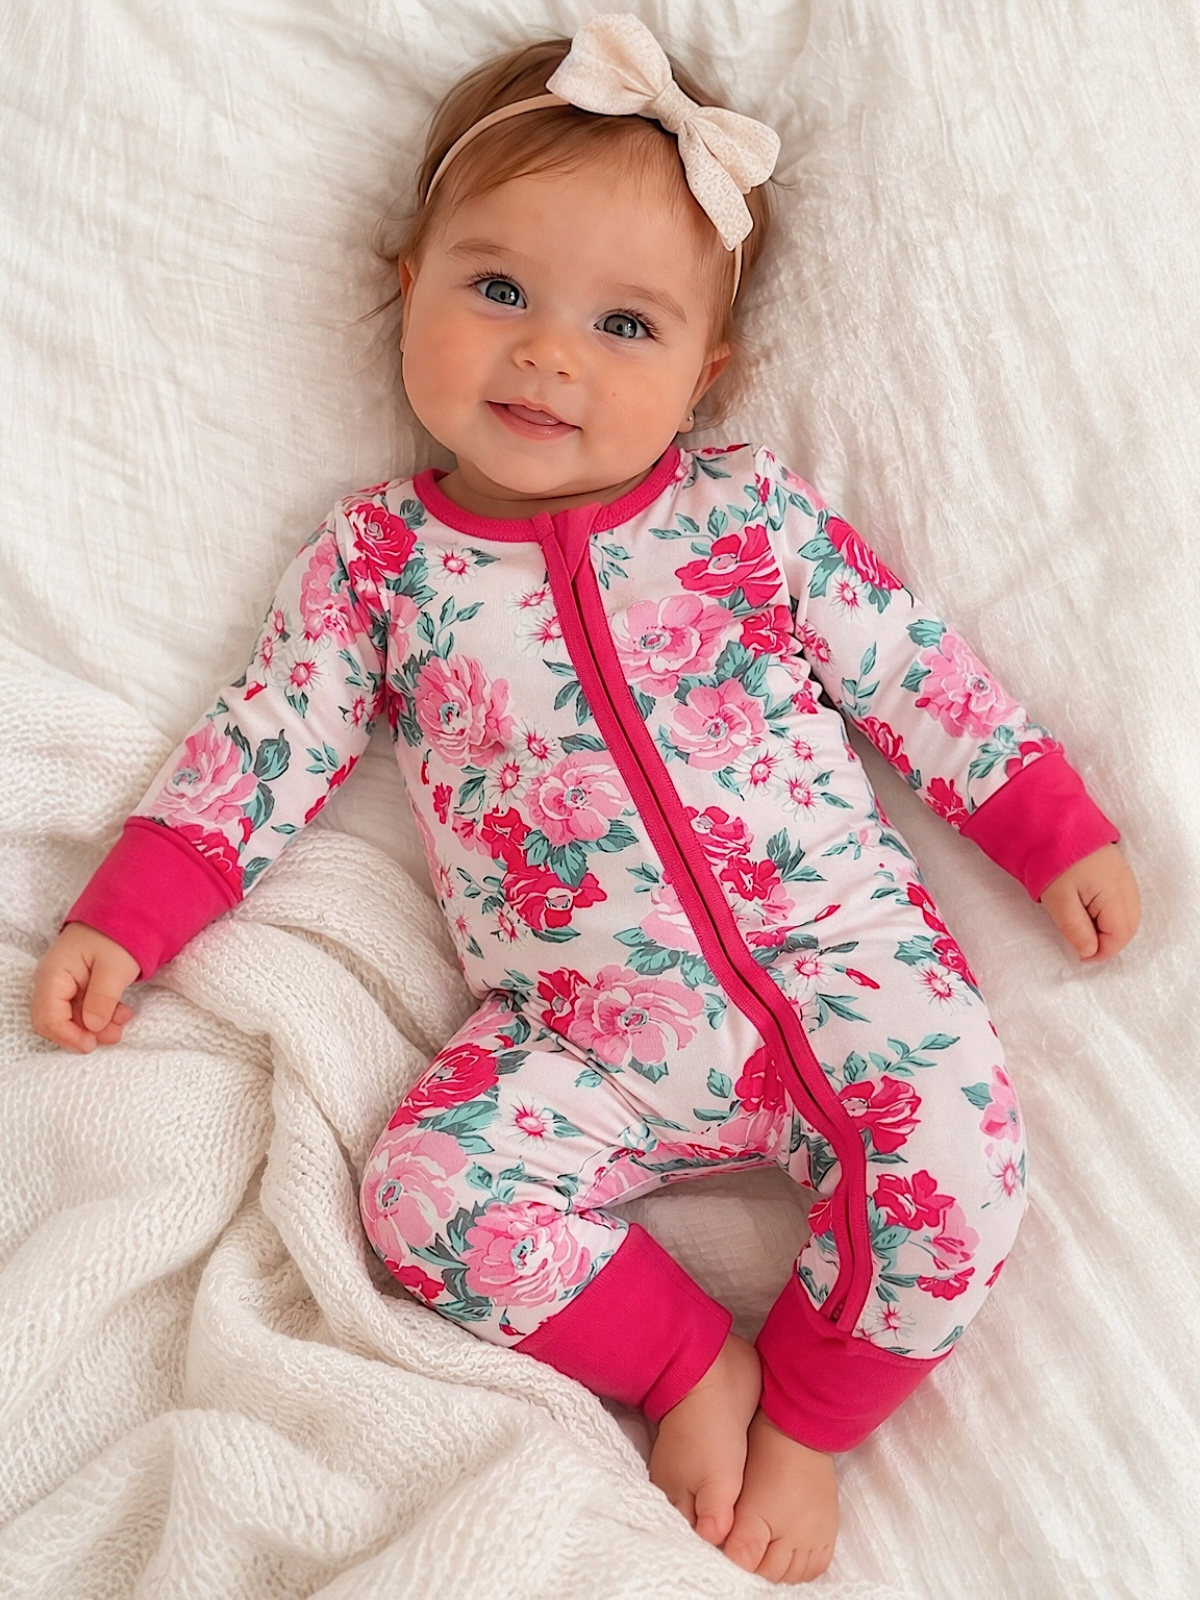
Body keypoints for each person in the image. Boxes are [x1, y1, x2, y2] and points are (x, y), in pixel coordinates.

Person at [30, 13, 1141, 1585]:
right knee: (424, 1199)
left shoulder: (745, 519)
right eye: (499, 291)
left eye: (626, 324)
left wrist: (1053, 828)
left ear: (705, 374)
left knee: (962, 1167)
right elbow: (265, 739)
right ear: (406, 287)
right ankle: (691, 1369)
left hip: (845, 971)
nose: (551, 353)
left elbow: (914, 672)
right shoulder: (378, 569)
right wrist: (131, 916)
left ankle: (809, 1421)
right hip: (581, 1033)